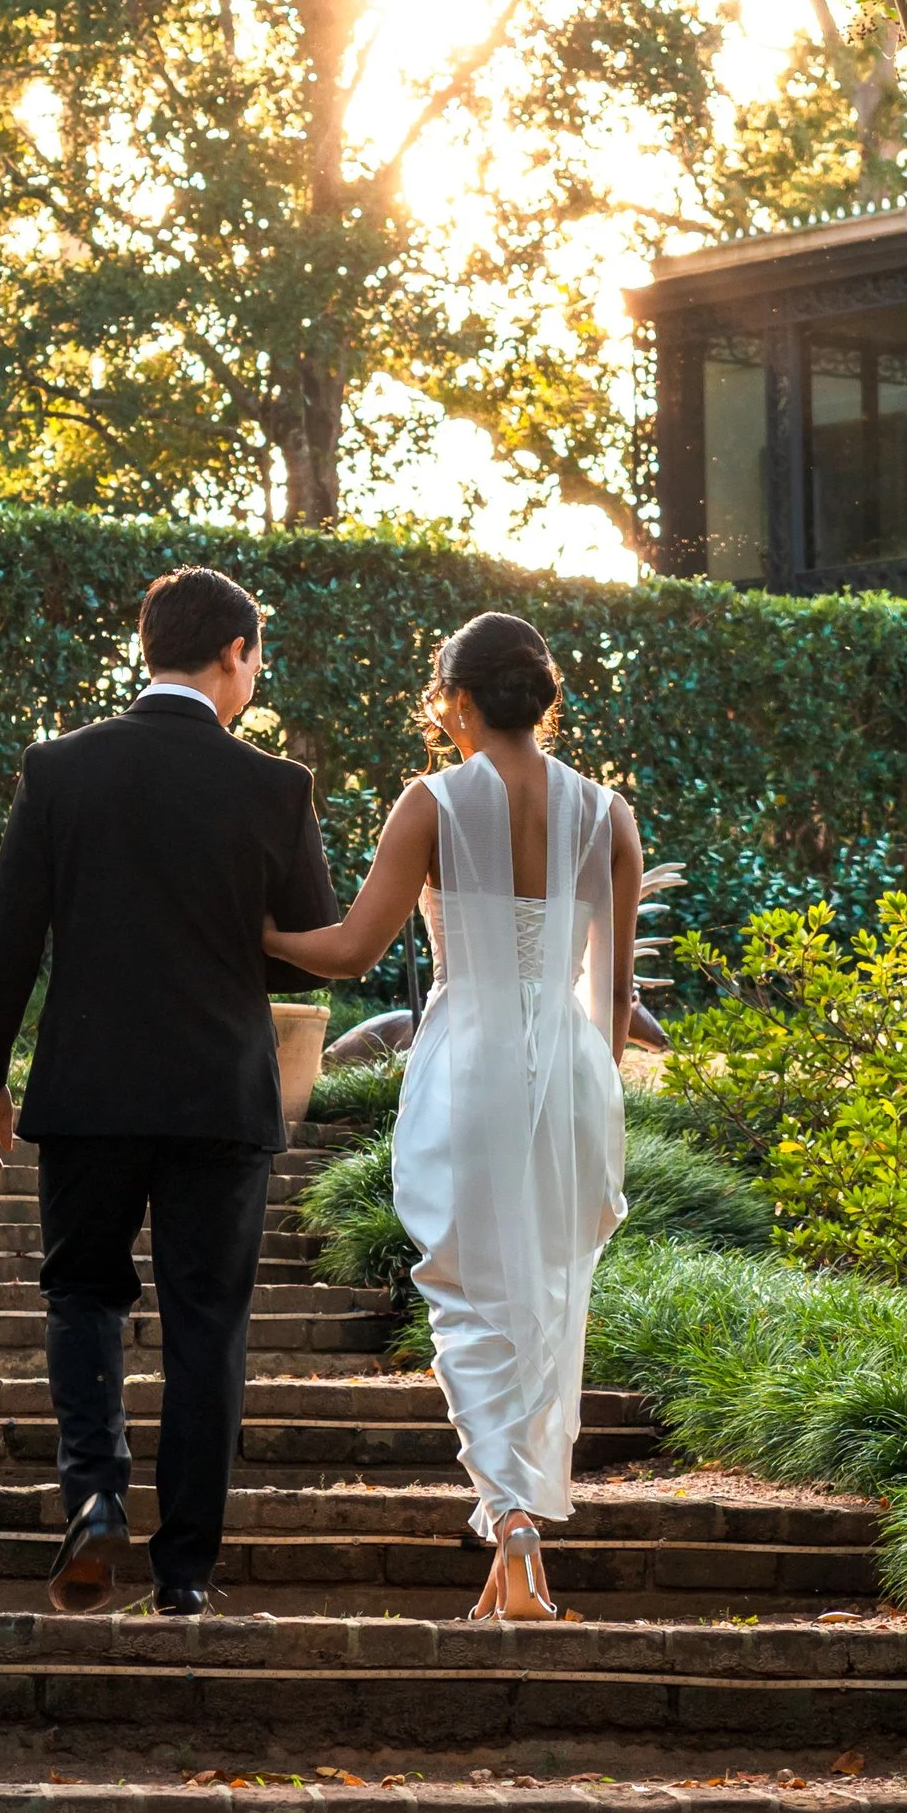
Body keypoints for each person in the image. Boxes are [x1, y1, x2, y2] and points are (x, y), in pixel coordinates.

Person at [0, 565, 337, 1618]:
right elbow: (305, 950)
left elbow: (9, 937)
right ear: (235, 653)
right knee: (207, 1321)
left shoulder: (60, 768)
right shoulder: (275, 787)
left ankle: (93, 1494)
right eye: (256, 656)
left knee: (83, 1292)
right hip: (220, 1094)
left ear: (147, 647)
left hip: (89, 1087)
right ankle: (186, 1573)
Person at [264, 612, 640, 1621]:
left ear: (457, 699)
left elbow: (349, 949)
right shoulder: (609, 814)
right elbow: (612, 995)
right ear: (544, 699)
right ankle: (517, 1521)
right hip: (570, 1068)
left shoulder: (431, 802)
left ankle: (510, 1517)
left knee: (465, 1293)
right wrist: (588, 1089)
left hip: (469, 1058)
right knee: (546, 1297)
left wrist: (260, 932)